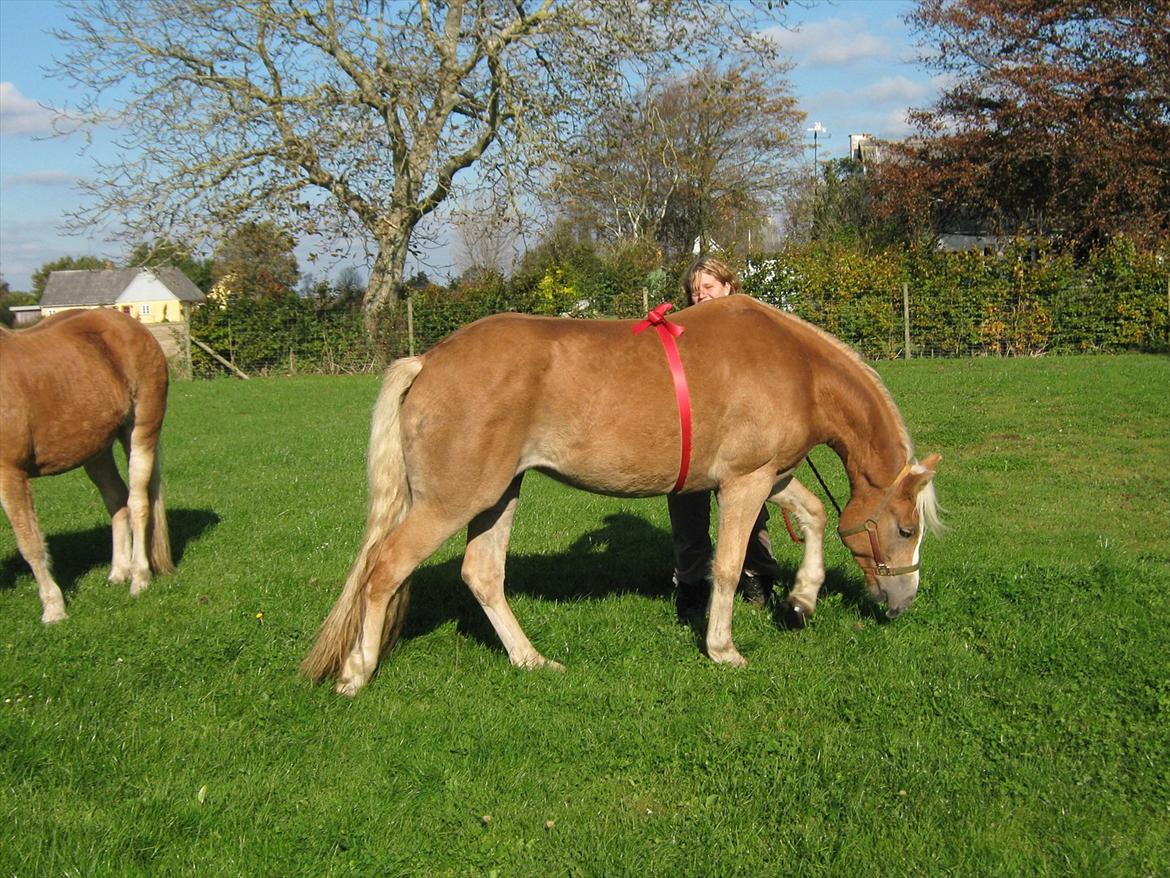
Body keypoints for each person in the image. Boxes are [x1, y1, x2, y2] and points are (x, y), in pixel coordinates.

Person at [668, 255, 782, 621]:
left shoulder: (753, 331)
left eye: (709, 288)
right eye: (695, 291)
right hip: (692, 442)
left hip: (741, 442)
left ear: (729, 287)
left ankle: (758, 577)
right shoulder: (680, 332)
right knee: (688, 516)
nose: (701, 297)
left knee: (752, 514)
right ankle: (691, 586)